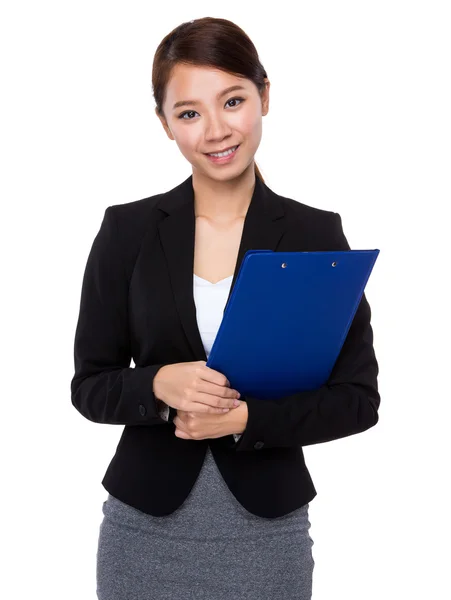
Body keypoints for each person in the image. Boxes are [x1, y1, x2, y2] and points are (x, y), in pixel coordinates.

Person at [70, 16, 380, 600]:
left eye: (232, 100)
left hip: (268, 536)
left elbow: (358, 400)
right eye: (189, 112)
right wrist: (159, 383)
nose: (215, 130)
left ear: (264, 96)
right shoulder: (127, 230)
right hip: (143, 534)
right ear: (164, 123)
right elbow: (89, 386)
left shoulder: (316, 234)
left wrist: (247, 421)